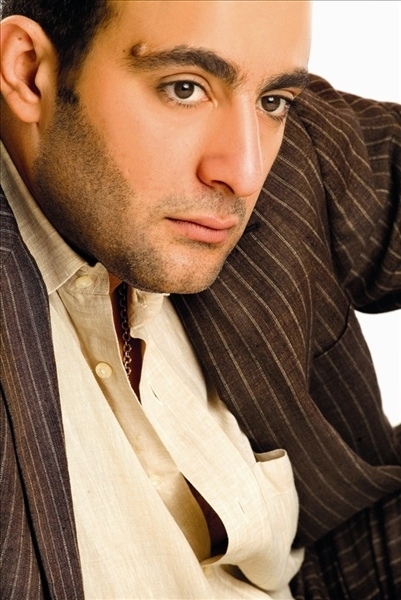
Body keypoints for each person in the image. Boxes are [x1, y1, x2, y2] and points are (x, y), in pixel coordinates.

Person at [0, 0, 400, 598]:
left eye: (274, 101)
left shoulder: (282, 158)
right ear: (30, 71)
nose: (244, 172)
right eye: (184, 89)